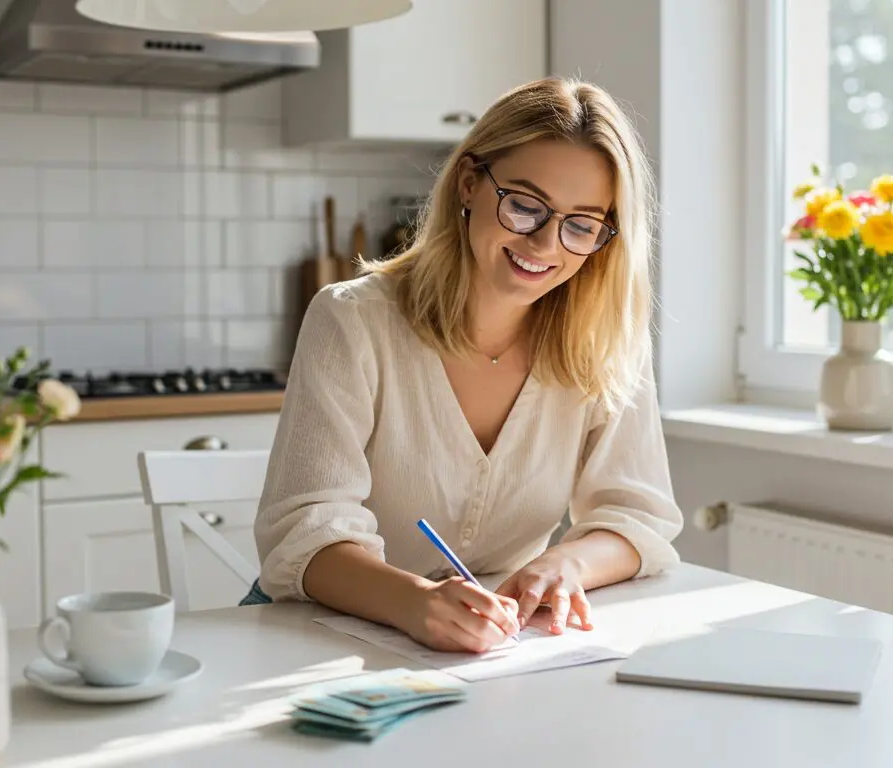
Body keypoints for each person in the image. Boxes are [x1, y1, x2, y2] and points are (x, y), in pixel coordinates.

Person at [243, 76, 684, 654]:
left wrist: (568, 564)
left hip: (490, 642)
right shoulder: (352, 320)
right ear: (470, 183)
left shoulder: (606, 339)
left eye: (581, 224)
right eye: (526, 205)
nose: (546, 244)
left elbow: (637, 517)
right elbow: (302, 533)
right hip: (317, 639)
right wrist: (414, 603)